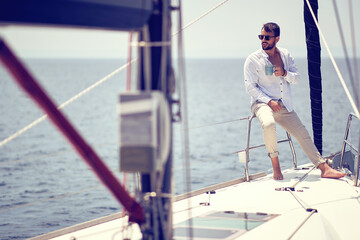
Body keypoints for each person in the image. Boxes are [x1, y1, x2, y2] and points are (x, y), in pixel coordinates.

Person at [244, 22, 346, 180]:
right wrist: (269, 101)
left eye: (267, 37)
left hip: (283, 104)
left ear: (277, 38)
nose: (263, 40)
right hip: (261, 102)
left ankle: (324, 168)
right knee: (269, 124)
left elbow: (296, 78)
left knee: (302, 133)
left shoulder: (284, 54)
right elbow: (250, 88)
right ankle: (276, 167)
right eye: (261, 36)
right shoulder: (253, 60)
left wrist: (284, 73)